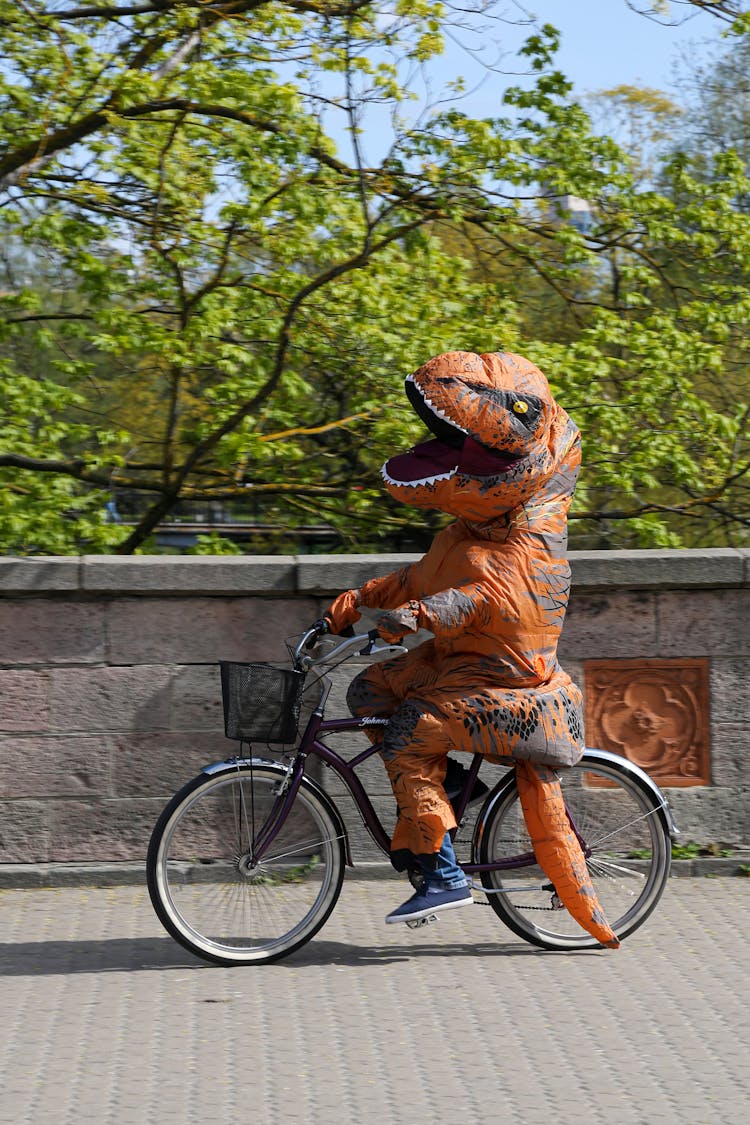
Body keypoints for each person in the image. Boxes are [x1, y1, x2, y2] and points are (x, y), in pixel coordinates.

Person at [324, 350, 619, 946]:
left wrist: (414, 617)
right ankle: (456, 791)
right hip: (460, 668)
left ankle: (444, 873)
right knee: (370, 690)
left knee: (413, 727)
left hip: (515, 687)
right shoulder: (467, 528)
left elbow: (479, 598)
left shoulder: (528, 542)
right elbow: (424, 578)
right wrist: (359, 602)